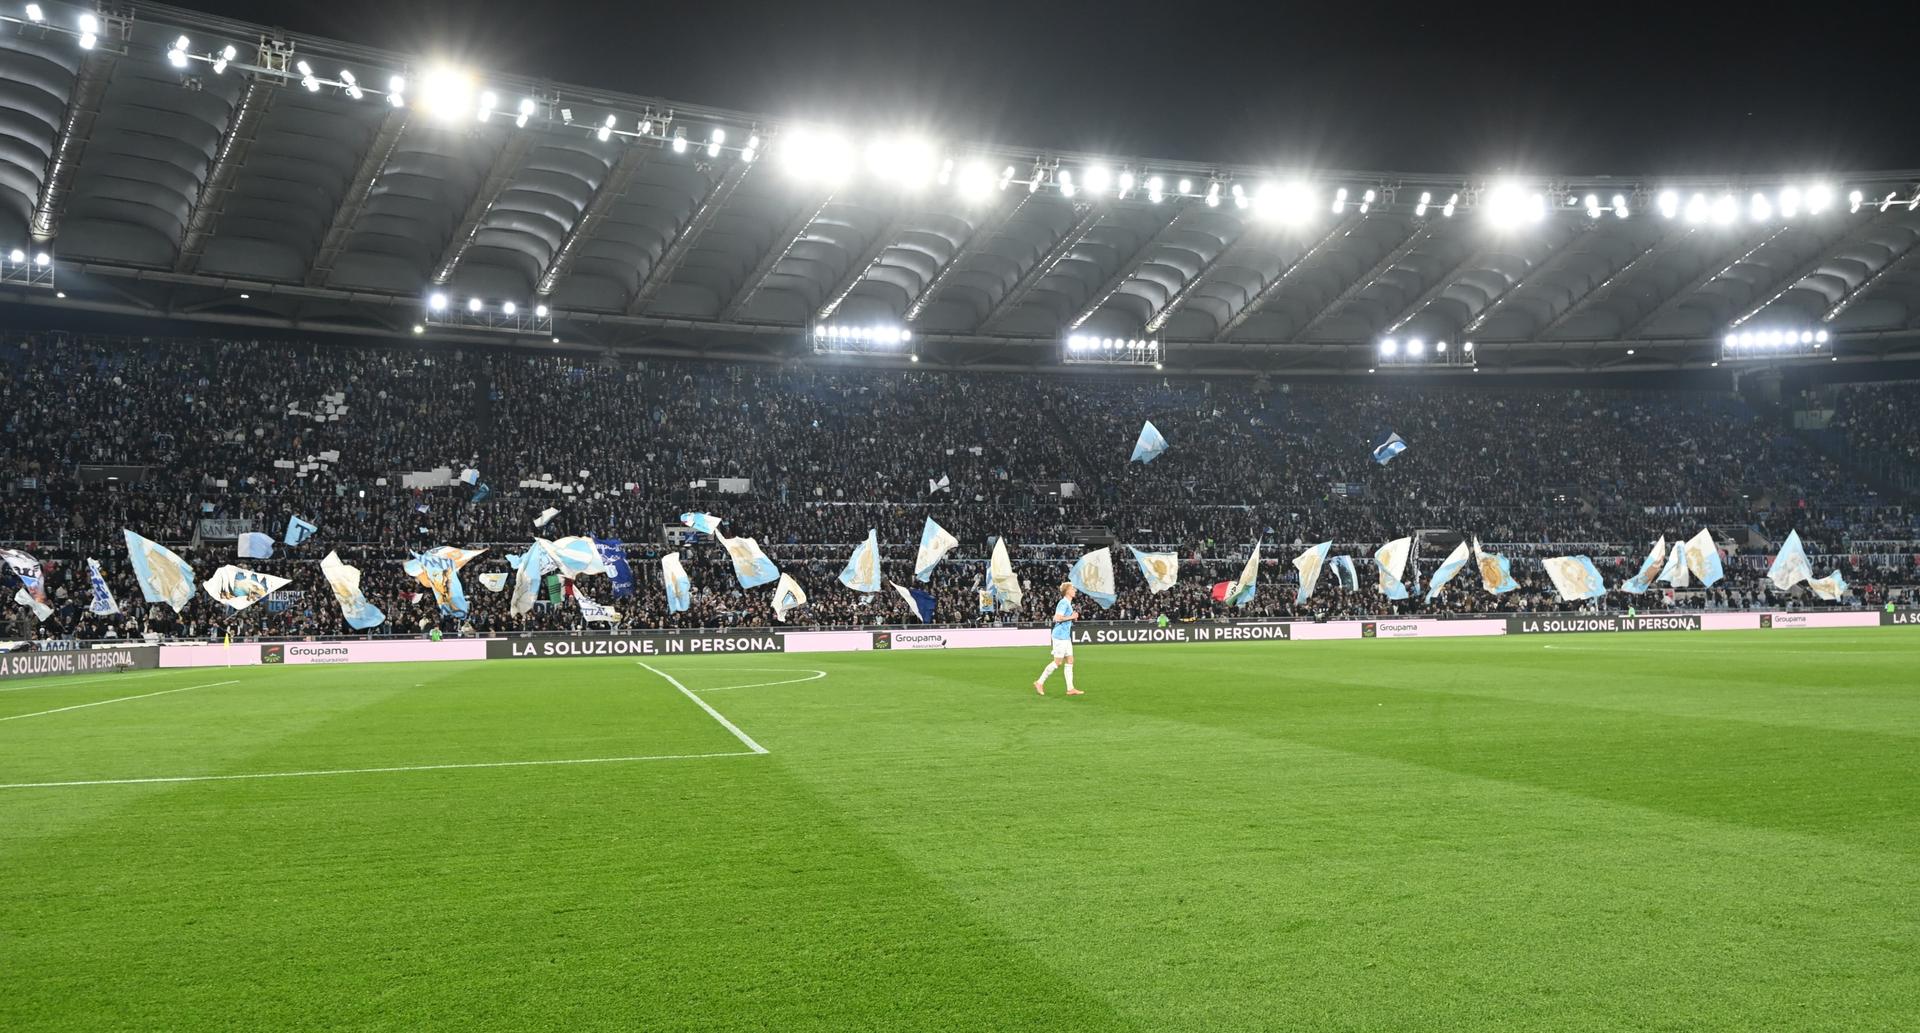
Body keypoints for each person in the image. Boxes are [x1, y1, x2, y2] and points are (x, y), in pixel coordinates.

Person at [1034, 582, 1083, 697]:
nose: (1075, 590)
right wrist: (1072, 617)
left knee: (1070, 660)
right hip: (1060, 636)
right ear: (1067, 591)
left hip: (1065, 636)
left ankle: (1070, 689)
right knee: (1058, 662)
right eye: (1072, 589)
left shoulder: (1068, 603)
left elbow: (1063, 618)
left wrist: (1071, 618)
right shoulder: (1063, 602)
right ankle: (1039, 682)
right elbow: (1057, 618)